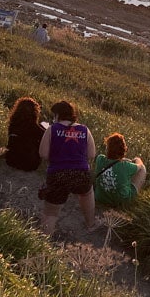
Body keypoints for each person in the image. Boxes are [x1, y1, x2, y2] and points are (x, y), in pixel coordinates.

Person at [38, 100, 96, 237]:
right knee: (86, 193)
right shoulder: (84, 129)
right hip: (81, 173)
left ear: (58, 115)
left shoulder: (52, 129)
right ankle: (91, 224)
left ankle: (44, 240)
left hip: (57, 173)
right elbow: (92, 154)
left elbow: (43, 154)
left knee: (51, 211)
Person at [92, 133, 147, 207]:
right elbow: (140, 166)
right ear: (124, 149)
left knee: (125, 169)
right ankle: (131, 195)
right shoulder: (126, 166)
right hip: (121, 202)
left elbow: (113, 160)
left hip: (100, 198)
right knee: (142, 169)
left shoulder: (100, 159)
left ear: (107, 148)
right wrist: (137, 159)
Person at [4, 97, 44, 172]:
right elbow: (44, 137)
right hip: (29, 163)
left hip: (11, 160)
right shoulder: (33, 126)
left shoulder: (13, 124)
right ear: (34, 111)